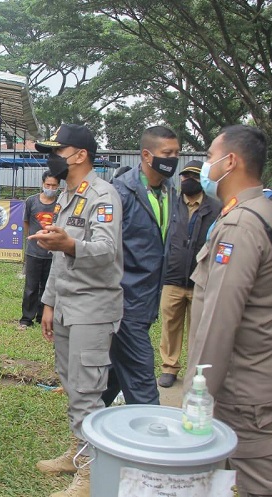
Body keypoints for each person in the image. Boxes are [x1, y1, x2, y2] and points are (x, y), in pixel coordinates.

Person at [185, 125, 272, 497]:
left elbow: (220, 316)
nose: (206, 166)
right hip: (253, 368)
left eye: (211, 156)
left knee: (261, 483)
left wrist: (197, 393)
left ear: (231, 161)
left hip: (240, 381)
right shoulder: (266, 209)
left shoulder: (240, 224)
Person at [29, 124, 124, 497]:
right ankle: (77, 451)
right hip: (68, 305)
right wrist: (49, 302)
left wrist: (70, 242)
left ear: (80, 155)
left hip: (92, 309)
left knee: (87, 391)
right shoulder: (69, 195)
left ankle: (89, 475)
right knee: (72, 386)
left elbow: (105, 250)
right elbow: (58, 258)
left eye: (58, 151)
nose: (52, 159)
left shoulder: (104, 195)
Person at [102, 126, 179, 407]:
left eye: (176, 154)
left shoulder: (171, 192)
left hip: (148, 299)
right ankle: (153, 446)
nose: (173, 159)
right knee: (143, 381)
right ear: (147, 155)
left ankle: (85, 436)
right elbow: (104, 250)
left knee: (114, 374)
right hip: (124, 302)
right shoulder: (119, 193)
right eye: (166, 154)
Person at [157, 161, 220, 388]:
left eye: (193, 177)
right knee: (170, 325)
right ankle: (169, 367)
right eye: (184, 177)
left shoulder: (216, 208)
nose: (187, 181)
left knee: (198, 330)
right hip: (172, 276)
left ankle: (196, 371)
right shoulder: (172, 205)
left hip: (200, 279)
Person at [18, 170, 60, 331]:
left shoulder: (60, 202)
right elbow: (26, 223)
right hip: (33, 252)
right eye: (48, 185)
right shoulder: (31, 201)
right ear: (42, 184)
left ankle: (43, 316)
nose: (50, 188)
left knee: (49, 286)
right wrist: (32, 240)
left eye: (54, 185)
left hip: (53, 253)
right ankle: (26, 319)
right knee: (31, 286)